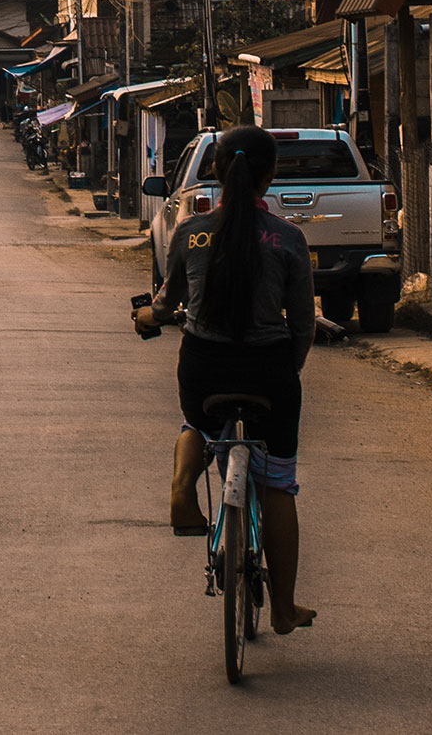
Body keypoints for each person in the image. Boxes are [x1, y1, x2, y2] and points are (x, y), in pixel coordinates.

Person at [140, 125, 316, 635]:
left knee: (195, 422)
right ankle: (283, 609)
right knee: (278, 484)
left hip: (204, 367)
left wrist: (149, 315)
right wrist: (288, 371)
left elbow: (166, 303)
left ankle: (183, 487)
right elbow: (303, 324)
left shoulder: (190, 232)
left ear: (216, 172)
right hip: (269, 371)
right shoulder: (288, 239)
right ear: (270, 176)